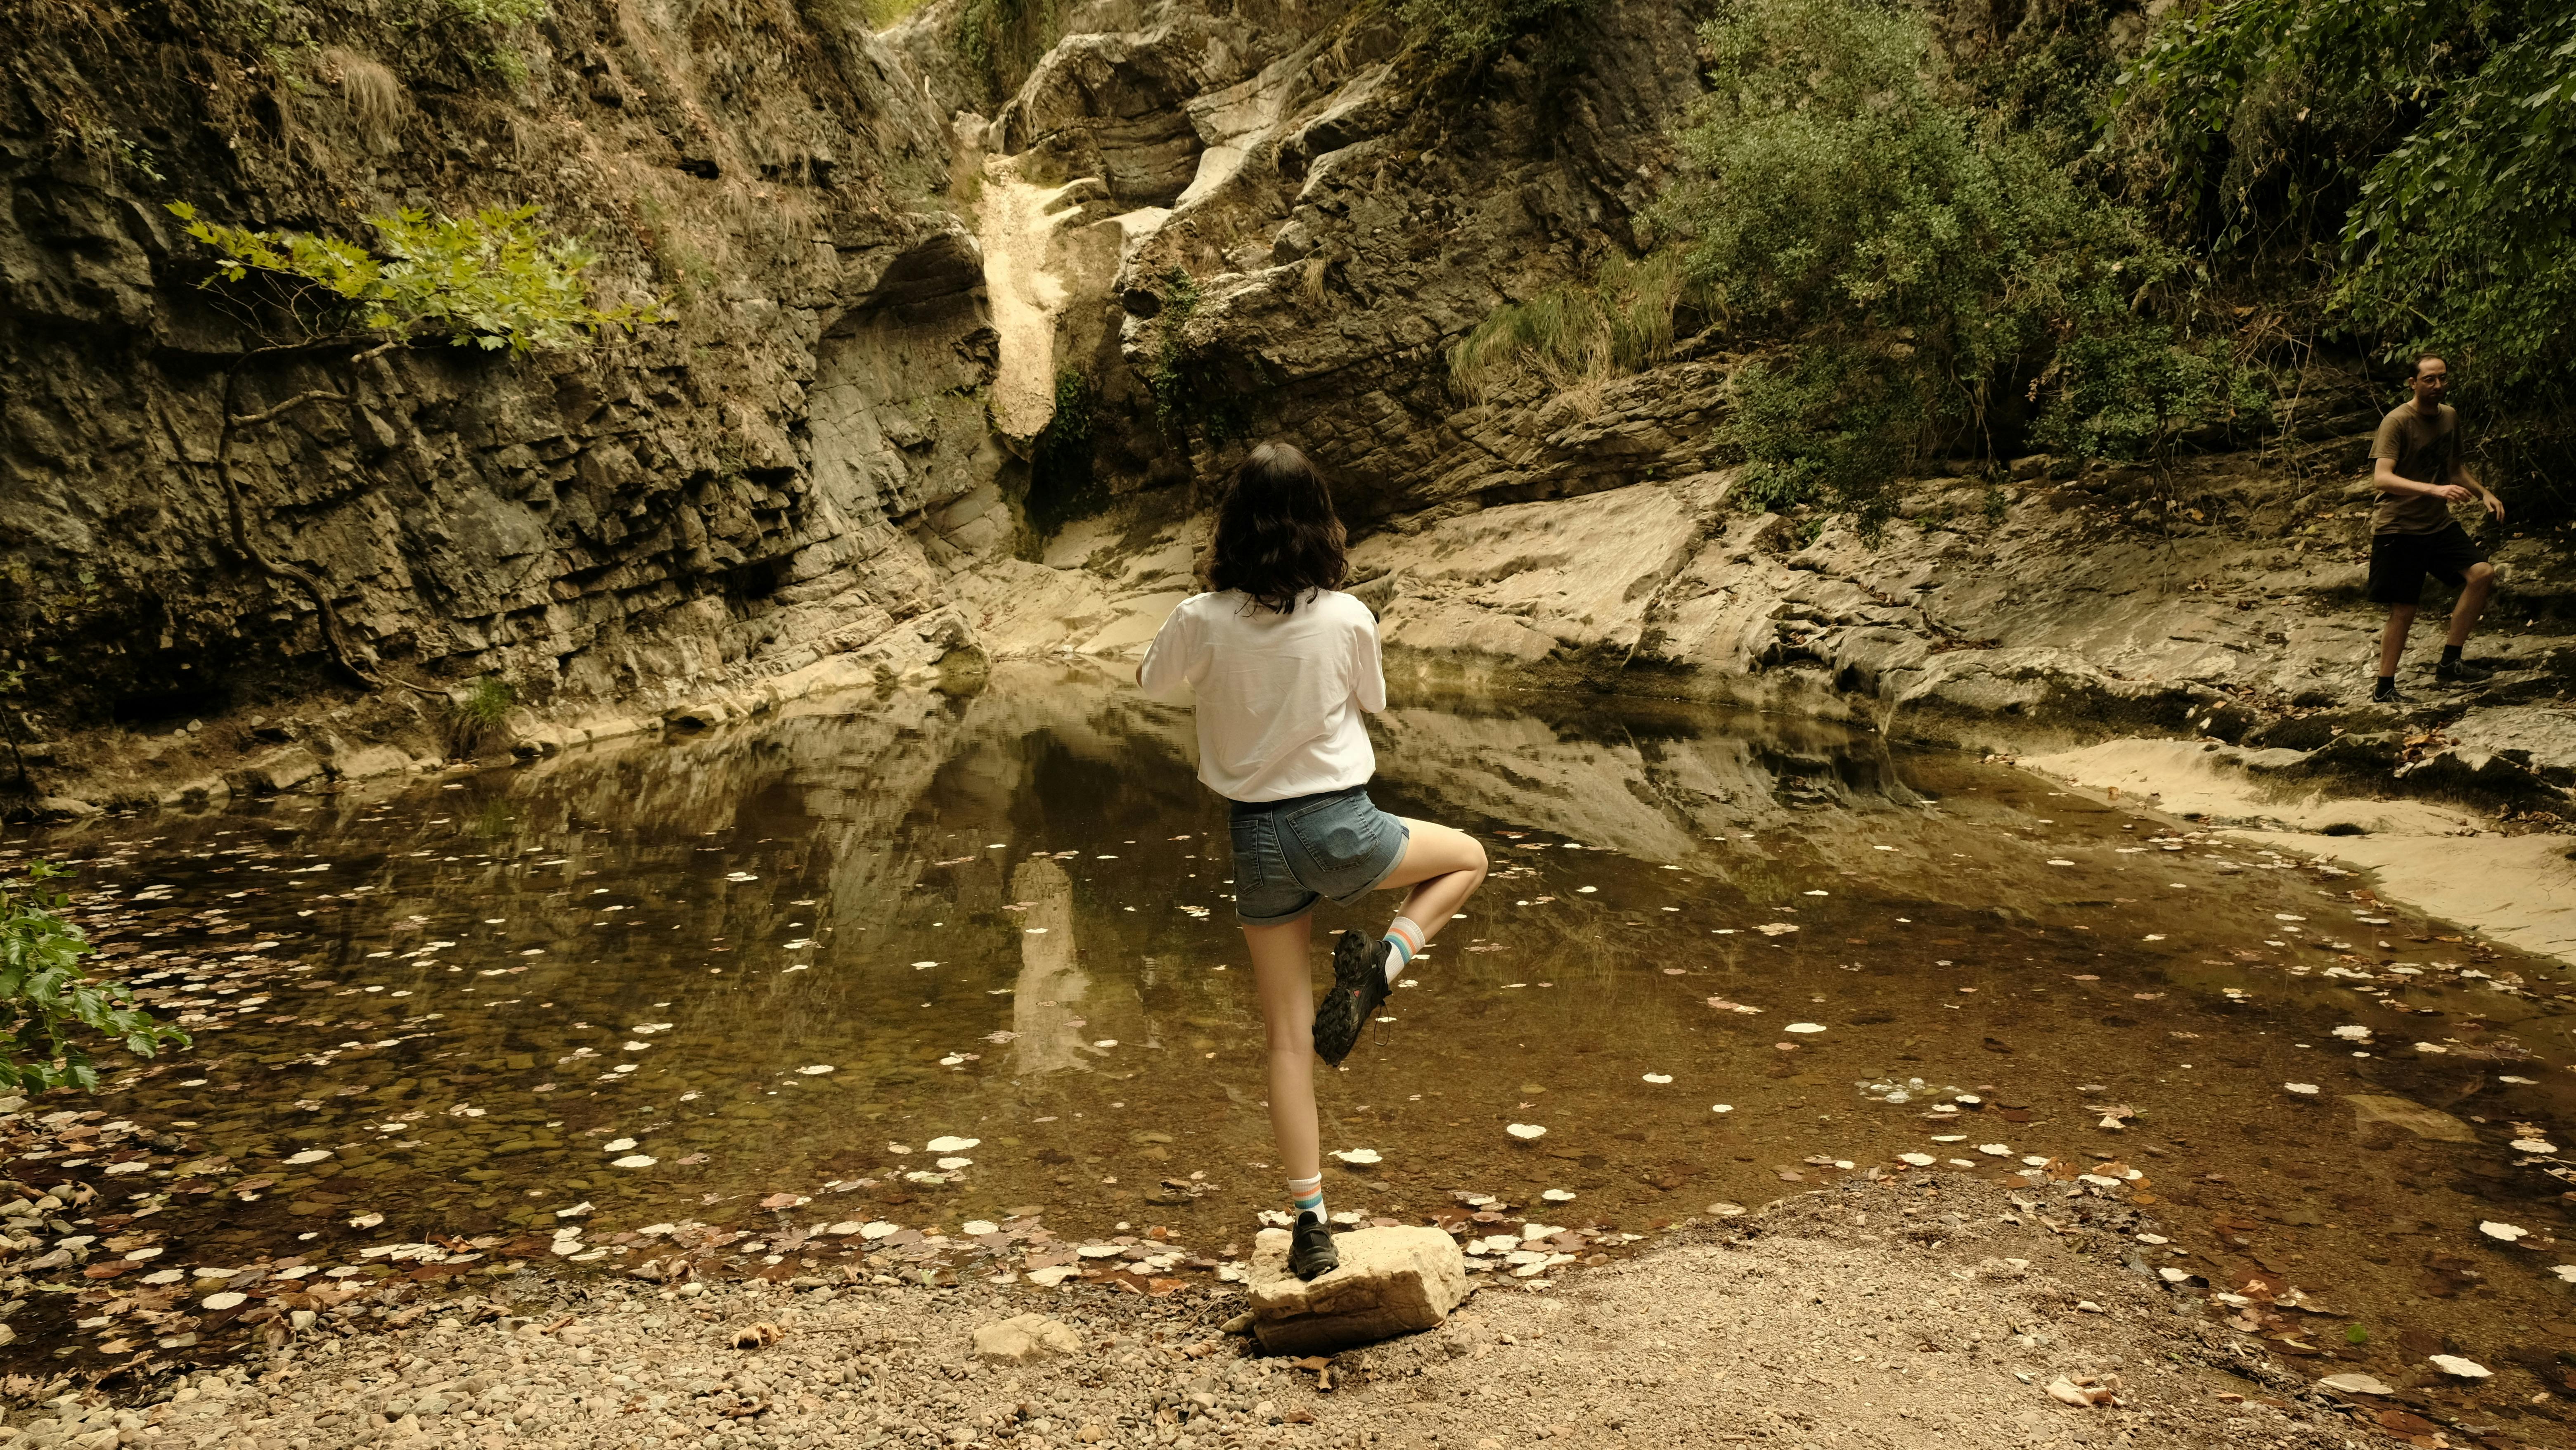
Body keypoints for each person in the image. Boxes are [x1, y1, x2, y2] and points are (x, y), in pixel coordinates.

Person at [1136, 442, 1489, 1282]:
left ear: (1233, 525)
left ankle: (1310, 1225)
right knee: (1467, 858)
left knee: (1286, 1042)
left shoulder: (1201, 617)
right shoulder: (1348, 616)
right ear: (1319, 523)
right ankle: (1383, 969)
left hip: (1256, 839)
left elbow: (1153, 684)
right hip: (1341, 828)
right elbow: (1374, 701)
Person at [2366, 354, 2504, 704]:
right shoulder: (2396, 421)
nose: (2437, 386)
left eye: (2442, 378)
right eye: (2429, 380)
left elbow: (2454, 468)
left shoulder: (2449, 417)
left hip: (2436, 524)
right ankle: (2385, 688)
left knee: (2482, 573)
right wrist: (2435, 489)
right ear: (2413, 383)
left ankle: (2450, 662)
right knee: (2405, 608)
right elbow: (2381, 478)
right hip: (2399, 527)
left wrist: (2483, 493)